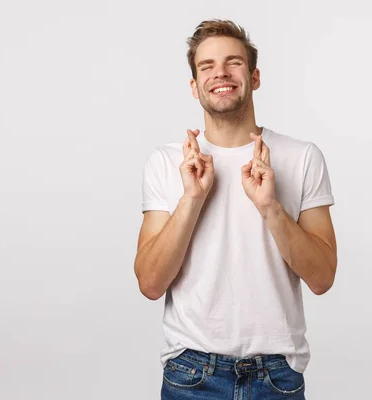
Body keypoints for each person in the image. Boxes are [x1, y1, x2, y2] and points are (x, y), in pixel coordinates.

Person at [134, 19, 337, 400]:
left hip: (277, 375)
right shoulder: (166, 162)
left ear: (255, 76)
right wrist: (192, 199)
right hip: (192, 373)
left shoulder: (302, 157)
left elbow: (323, 277)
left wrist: (270, 207)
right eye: (206, 66)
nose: (220, 73)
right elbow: (150, 283)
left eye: (234, 62)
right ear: (194, 86)